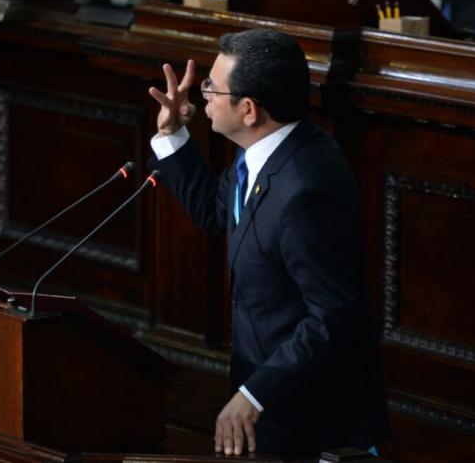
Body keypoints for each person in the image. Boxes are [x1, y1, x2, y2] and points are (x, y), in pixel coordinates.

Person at [147, 29, 387, 457]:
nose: (202, 95)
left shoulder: (306, 191)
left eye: (212, 87)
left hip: (309, 414)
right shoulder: (264, 148)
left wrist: (255, 395)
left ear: (249, 109)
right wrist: (171, 137)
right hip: (269, 394)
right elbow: (213, 211)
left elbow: (334, 317)